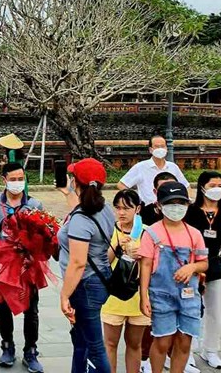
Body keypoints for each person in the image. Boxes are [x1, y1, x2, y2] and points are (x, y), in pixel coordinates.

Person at [0, 162, 44, 370]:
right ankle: (7, 346)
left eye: (21, 179)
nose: (18, 183)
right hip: (4, 263)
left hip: (28, 263)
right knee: (4, 306)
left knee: (31, 308)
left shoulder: (35, 204)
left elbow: (44, 235)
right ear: (4, 180)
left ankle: (31, 350)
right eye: (14, 179)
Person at [140, 182, 208, 373]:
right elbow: (145, 265)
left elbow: (204, 263)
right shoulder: (152, 232)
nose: (176, 207)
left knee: (185, 341)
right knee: (162, 340)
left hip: (189, 297)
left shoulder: (194, 233)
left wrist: (193, 267)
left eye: (181, 202)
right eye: (170, 203)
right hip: (161, 296)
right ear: (159, 205)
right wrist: (144, 295)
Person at [57, 158, 115, 373]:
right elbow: (81, 210)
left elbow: (78, 262)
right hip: (98, 280)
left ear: (76, 182)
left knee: (94, 346)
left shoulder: (82, 218)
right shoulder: (105, 208)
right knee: (80, 341)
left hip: (84, 286)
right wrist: (67, 194)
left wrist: (64, 295)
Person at [101, 189, 150, 373]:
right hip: (113, 295)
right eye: (118, 208)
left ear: (137, 209)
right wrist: (117, 246)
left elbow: (153, 265)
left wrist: (142, 255)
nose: (121, 212)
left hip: (139, 296)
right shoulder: (109, 229)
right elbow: (104, 261)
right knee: (110, 343)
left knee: (134, 344)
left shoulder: (146, 232)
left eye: (126, 208)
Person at [185, 171, 221, 369]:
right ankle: (187, 351)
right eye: (212, 185)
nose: (217, 189)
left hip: (215, 264)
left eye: (220, 186)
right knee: (191, 311)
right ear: (201, 188)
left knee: (216, 310)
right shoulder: (191, 211)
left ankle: (211, 350)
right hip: (193, 265)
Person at [117, 135, 189, 206]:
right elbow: (122, 185)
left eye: (162, 146)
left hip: (169, 208)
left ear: (166, 148)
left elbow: (187, 187)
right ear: (151, 150)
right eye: (157, 147)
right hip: (148, 209)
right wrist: (136, 201)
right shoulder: (141, 167)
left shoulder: (173, 167)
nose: (160, 149)